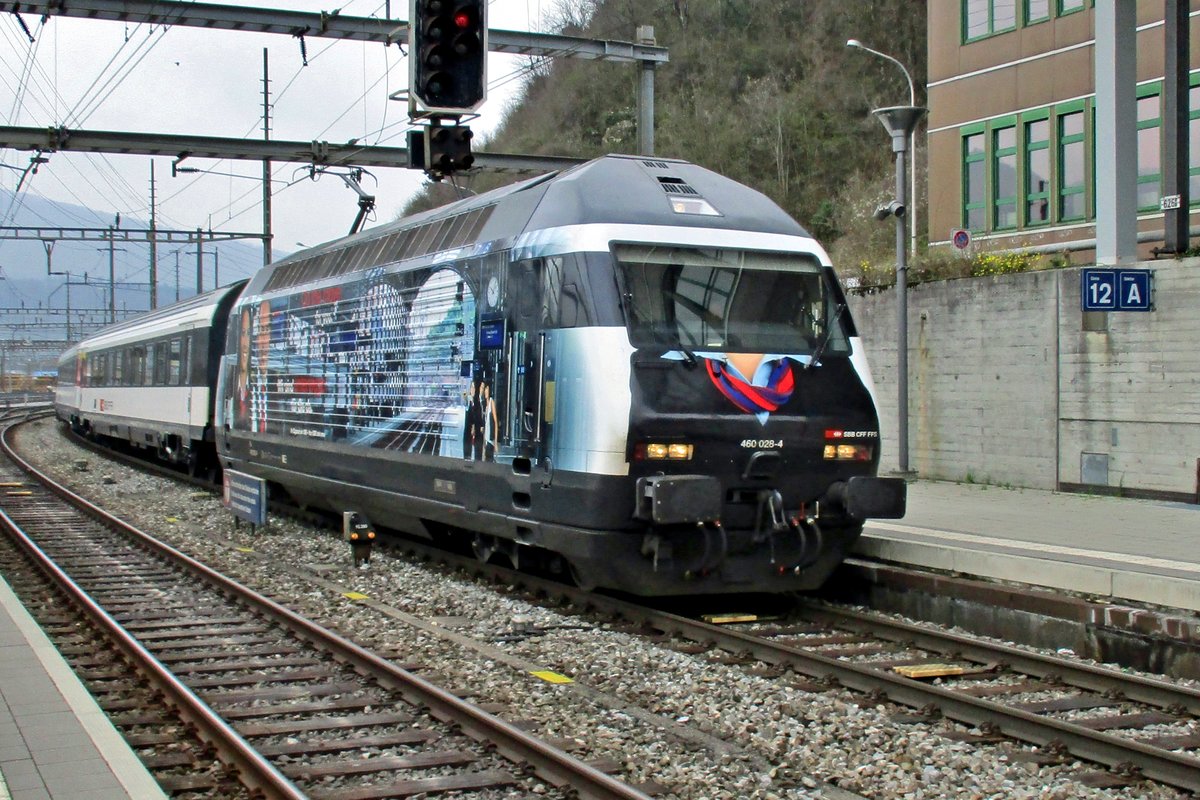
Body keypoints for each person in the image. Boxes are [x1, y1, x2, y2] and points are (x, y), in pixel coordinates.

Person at [482, 378, 498, 461]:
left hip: (490, 441)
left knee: (489, 460)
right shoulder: (485, 404)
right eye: (484, 389)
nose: (485, 391)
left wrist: (495, 442)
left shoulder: (492, 402)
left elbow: (495, 422)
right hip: (486, 440)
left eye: (487, 389)